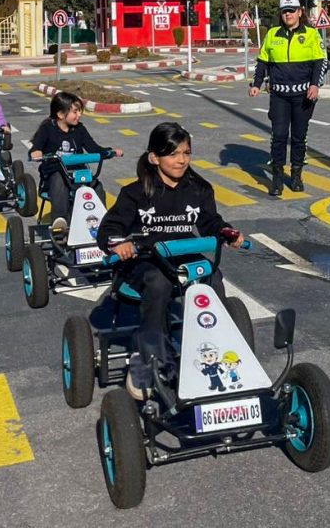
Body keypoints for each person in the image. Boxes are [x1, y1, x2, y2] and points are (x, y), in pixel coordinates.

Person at [99, 122, 244, 393]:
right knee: (159, 283)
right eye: (173, 154)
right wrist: (119, 244)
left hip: (181, 256)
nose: (181, 160)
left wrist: (227, 233)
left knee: (212, 276)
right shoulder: (135, 192)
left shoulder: (199, 188)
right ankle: (147, 356)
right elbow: (110, 229)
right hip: (144, 261)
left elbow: (211, 221)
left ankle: (219, 349)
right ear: (154, 157)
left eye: (186, 153)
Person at [248, 0, 328, 195]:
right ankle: (276, 178)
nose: (288, 14)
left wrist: (315, 85)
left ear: (300, 12)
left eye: (292, 11)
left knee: (299, 137)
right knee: (279, 136)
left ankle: (296, 175)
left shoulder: (311, 34)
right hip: (279, 96)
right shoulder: (273, 34)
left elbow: (321, 62)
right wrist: (257, 84)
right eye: (285, 11)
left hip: (304, 96)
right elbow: (263, 61)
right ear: (281, 14)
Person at [28, 91, 123, 233]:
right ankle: (60, 222)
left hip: (77, 175)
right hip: (53, 175)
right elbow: (37, 147)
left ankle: (100, 220)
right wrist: (36, 152)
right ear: (60, 114)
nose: (79, 115)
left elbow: (93, 148)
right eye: (75, 112)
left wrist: (110, 152)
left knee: (95, 183)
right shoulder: (48, 128)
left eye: (80, 111)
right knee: (59, 179)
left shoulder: (79, 129)